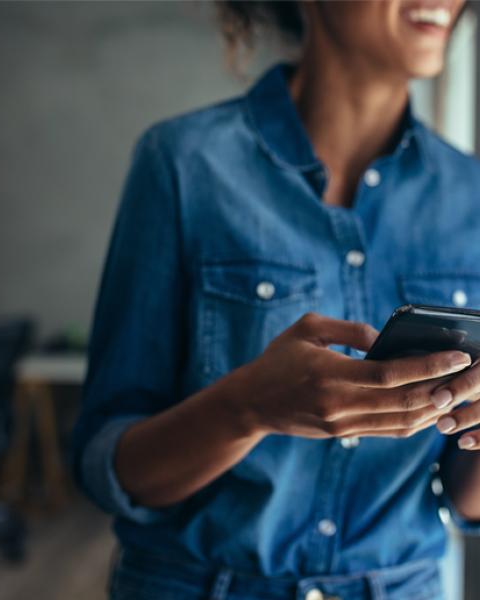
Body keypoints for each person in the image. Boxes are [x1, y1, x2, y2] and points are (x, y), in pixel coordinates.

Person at [73, 1, 480, 598]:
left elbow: (465, 500)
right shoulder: (183, 164)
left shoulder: (471, 197)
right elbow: (110, 469)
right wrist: (246, 407)